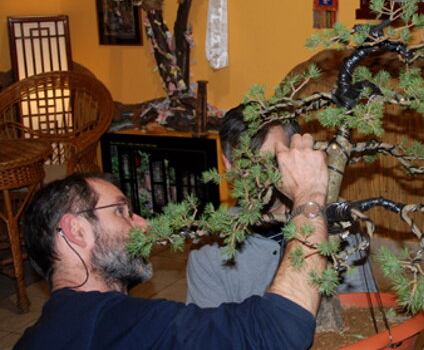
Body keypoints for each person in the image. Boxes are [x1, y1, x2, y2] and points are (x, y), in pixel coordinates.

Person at [16, 132, 328, 350]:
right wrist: (309, 196)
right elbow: (279, 330)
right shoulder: (127, 324)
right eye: (122, 211)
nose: (141, 223)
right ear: (76, 231)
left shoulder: (31, 339)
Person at [186, 105, 375, 308]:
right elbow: (211, 334)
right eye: (248, 164)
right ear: (228, 164)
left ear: (293, 158)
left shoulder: (337, 219)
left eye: (272, 161)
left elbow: (362, 309)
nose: (259, 178)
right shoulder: (208, 252)